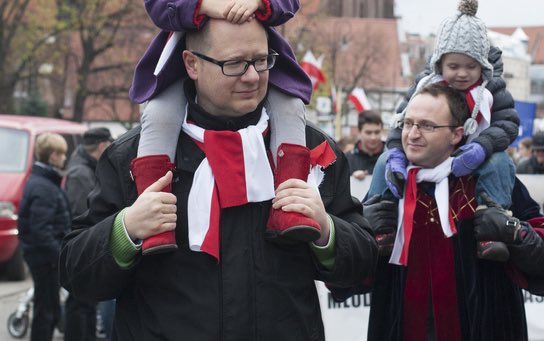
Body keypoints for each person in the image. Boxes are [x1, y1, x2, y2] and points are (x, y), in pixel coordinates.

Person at [59, 18, 377, 341]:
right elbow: (76, 274)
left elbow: (362, 268)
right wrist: (125, 230)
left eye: (262, 60)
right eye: (235, 64)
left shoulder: (310, 151)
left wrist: (327, 230)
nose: (253, 76)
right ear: (192, 64)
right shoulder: (132, 157)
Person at [128, 0, 314, 253]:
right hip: (185, 60)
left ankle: (291, 204)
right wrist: (202, 5)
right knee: (159, 115)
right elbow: (156, 1)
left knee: (291, 109)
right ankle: (154, 216)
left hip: (255, 61)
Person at [363, 84, 544, 340]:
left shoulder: (489, 180)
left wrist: (515, 233)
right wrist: (362, 238)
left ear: (457, 134)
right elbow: (347, 281)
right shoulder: (390, 183)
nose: (412, 134)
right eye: (407, 123)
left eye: (427, 125)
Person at [368, 0, 520, 261]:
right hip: (431, 156)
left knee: (500, 163)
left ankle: (492, 228)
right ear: (440, 64)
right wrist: (395, 151)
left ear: (482, 66)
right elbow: (400, 121)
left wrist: (481, 148)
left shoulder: (492, 89)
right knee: (383, 161)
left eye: (470, 66)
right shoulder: (424, 87)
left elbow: (508, 124)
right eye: (453, 66)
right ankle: (379, 224)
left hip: (473, 157)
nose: (462, 73)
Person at [62, 127, 114, 341]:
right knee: (79, 305)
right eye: (110, 144)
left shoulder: (86, 168)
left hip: (87, 249)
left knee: (87, 304)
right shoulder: (80, 173)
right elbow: (81, 218)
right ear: (102, 145)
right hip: (83, 250)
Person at [19, 133, 71, 341]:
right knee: (46, 312)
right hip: (46, 259)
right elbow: (41, 230)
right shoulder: (44, 186)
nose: (65, 158)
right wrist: (60, 256)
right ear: (52, 156)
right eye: (62, 154)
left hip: (44, 257)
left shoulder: (43, 181)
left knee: (48, 308)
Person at [347, 110, 385, 180]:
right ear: (359, 132)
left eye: (377, 132)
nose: (373, 137)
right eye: (368, 133)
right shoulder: (347, 160)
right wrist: (351, 179)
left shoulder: (390, 157)